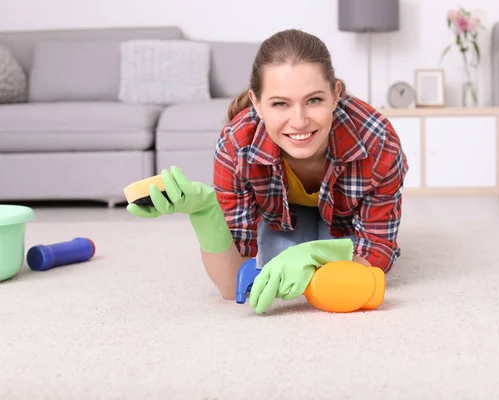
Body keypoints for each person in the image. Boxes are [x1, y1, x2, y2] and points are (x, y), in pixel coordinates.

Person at [127, 28, 409, 314]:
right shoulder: (236, 144)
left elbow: (378, 250)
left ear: (336, 95)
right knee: (275, 257)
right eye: (280, 104)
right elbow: (232, 285)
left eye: (314, 100)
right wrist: (205, 212)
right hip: (278, 216)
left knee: (335, 265)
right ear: (257, 104)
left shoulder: (377, 140)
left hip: (344, 216)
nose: (299, 122)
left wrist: (317, 253)